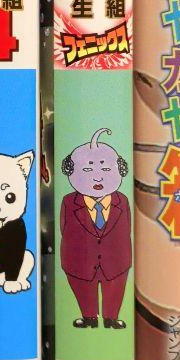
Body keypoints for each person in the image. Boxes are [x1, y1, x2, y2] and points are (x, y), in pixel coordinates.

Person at [60, 127, 132, 329]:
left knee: (115, 287)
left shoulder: (122, 201)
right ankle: (88, 317)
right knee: (83, 287)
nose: (97, 177)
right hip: (80, 260)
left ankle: (111, 318)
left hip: (115, 260)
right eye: (87, 170)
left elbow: (126, 229)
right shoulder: (69, 202)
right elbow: (64, 229)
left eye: (106, 170)